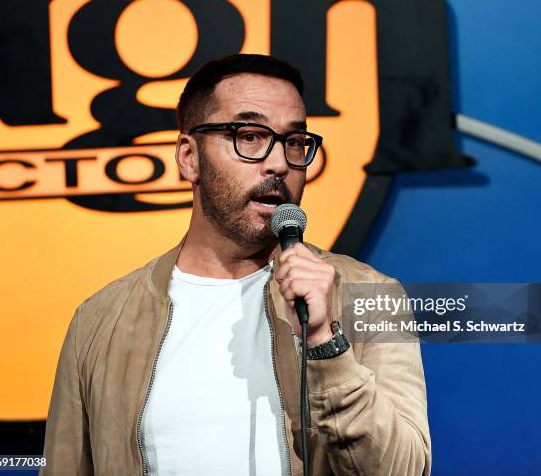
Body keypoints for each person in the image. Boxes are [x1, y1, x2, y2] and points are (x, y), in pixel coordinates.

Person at [41, 54, 431, 475]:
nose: (279, 163)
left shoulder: (370, 295)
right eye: (249, 136)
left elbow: (408, 469)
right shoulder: (100, 320)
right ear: (189, 157)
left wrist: (324, 343)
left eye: (295, 141)